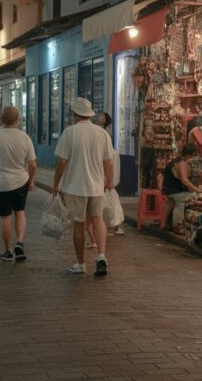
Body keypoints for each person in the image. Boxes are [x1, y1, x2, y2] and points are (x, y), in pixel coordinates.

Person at [52, 97, 114, 277]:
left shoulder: (69, 132)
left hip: (75, 187)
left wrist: (56, 184)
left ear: (74, 114)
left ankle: (81, 264)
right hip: (96, 186)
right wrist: (108, 182)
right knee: (98, 220)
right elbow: (108, 162)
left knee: (79, 225)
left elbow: (62, 162)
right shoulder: (102, 133)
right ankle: (101, 256)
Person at [0, 106, 36, 262]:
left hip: (2, 184)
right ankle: (19, 242)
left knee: (5, 217)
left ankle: (8, 251)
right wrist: (31, 180)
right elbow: (32, 165)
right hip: (21, 181)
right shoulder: (25, 137)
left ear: (1, 119)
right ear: (18, 120)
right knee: (20, 212)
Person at [86, 112, 122, 249]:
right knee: (97, 215)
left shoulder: (103, 134)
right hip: (98, 180)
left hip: (96, 179)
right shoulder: (100, 132)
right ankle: (100, 250)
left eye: (102, 116)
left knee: (91, 216)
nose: (99, 117)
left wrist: (109, 180)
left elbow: (108, 160)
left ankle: (95, 242)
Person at [161, 144, 202, 230]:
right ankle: (178, 225)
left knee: (170, 201)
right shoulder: (181, 163)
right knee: (196, 198)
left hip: (169, 190)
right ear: (191, 154)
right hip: (176, 192)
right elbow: (184, 180)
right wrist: (197, 190)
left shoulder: (175, 161)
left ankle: (163, 224)